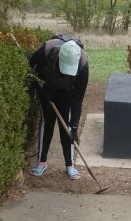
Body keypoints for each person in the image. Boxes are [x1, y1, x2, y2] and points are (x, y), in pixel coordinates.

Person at [28, 35, 89, 180]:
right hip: (46, 90)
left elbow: (78, 100)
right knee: (47, 123)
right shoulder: (46, 50)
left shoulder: (83, 64)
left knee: (67, 127)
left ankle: (70, 165)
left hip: (68, 93)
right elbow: (31, 68)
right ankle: (41, 162)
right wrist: (40, 86)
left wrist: (74, 127)